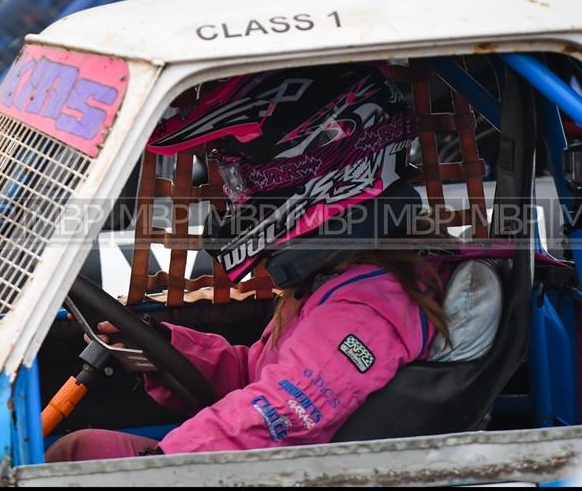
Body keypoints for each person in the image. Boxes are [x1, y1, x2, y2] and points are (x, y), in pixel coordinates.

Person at [46, 63, 452, 462]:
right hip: (283, 462)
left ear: (314, 168)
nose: (235, 197)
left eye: (244, 180)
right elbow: (255, 375)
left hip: (298, 466)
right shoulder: (338, 283)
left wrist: (163, 462)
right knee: (77, 450)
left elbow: (283, 415)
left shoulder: (364, 308)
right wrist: (163, 347)